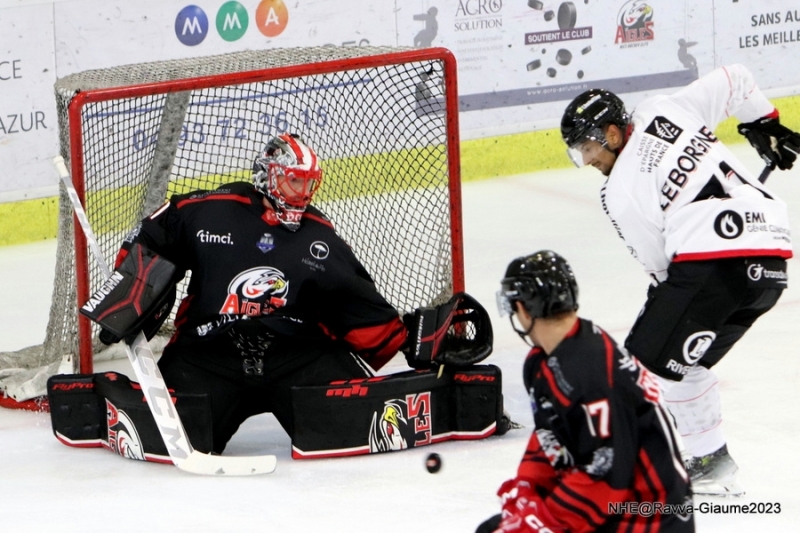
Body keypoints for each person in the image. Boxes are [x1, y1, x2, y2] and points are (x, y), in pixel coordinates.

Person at [49, 133, 499, 459]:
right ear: (268, 176)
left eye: (309, 183)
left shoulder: (318, 238)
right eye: (292, 182)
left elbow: (353, 300)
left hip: (297, 354)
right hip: (209, 353)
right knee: (173, 438)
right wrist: (129, 295)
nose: (302, 194)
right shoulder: (207, 211)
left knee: (356, 425)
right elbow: (154, 235)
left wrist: (407, 338)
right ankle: (107, 401)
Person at [559, 64, 800, 495]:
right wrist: (764, 123)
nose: (589, 160)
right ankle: (713, 463)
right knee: (686, 366)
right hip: (771, 262)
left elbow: (662, 270)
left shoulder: (620, 191)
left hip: (714, 263)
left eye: (589, 148)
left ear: (613, 133)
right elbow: (736, 78)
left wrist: (664, 314)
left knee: (636, 369)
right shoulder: (664, 109)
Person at [477, 250, 693, 533]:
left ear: (525, 308)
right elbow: (550, 436)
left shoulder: (591, 373)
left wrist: (542, 519)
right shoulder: (544, 361)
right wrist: (528, 485)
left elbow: (606, 475)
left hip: (648, 518)